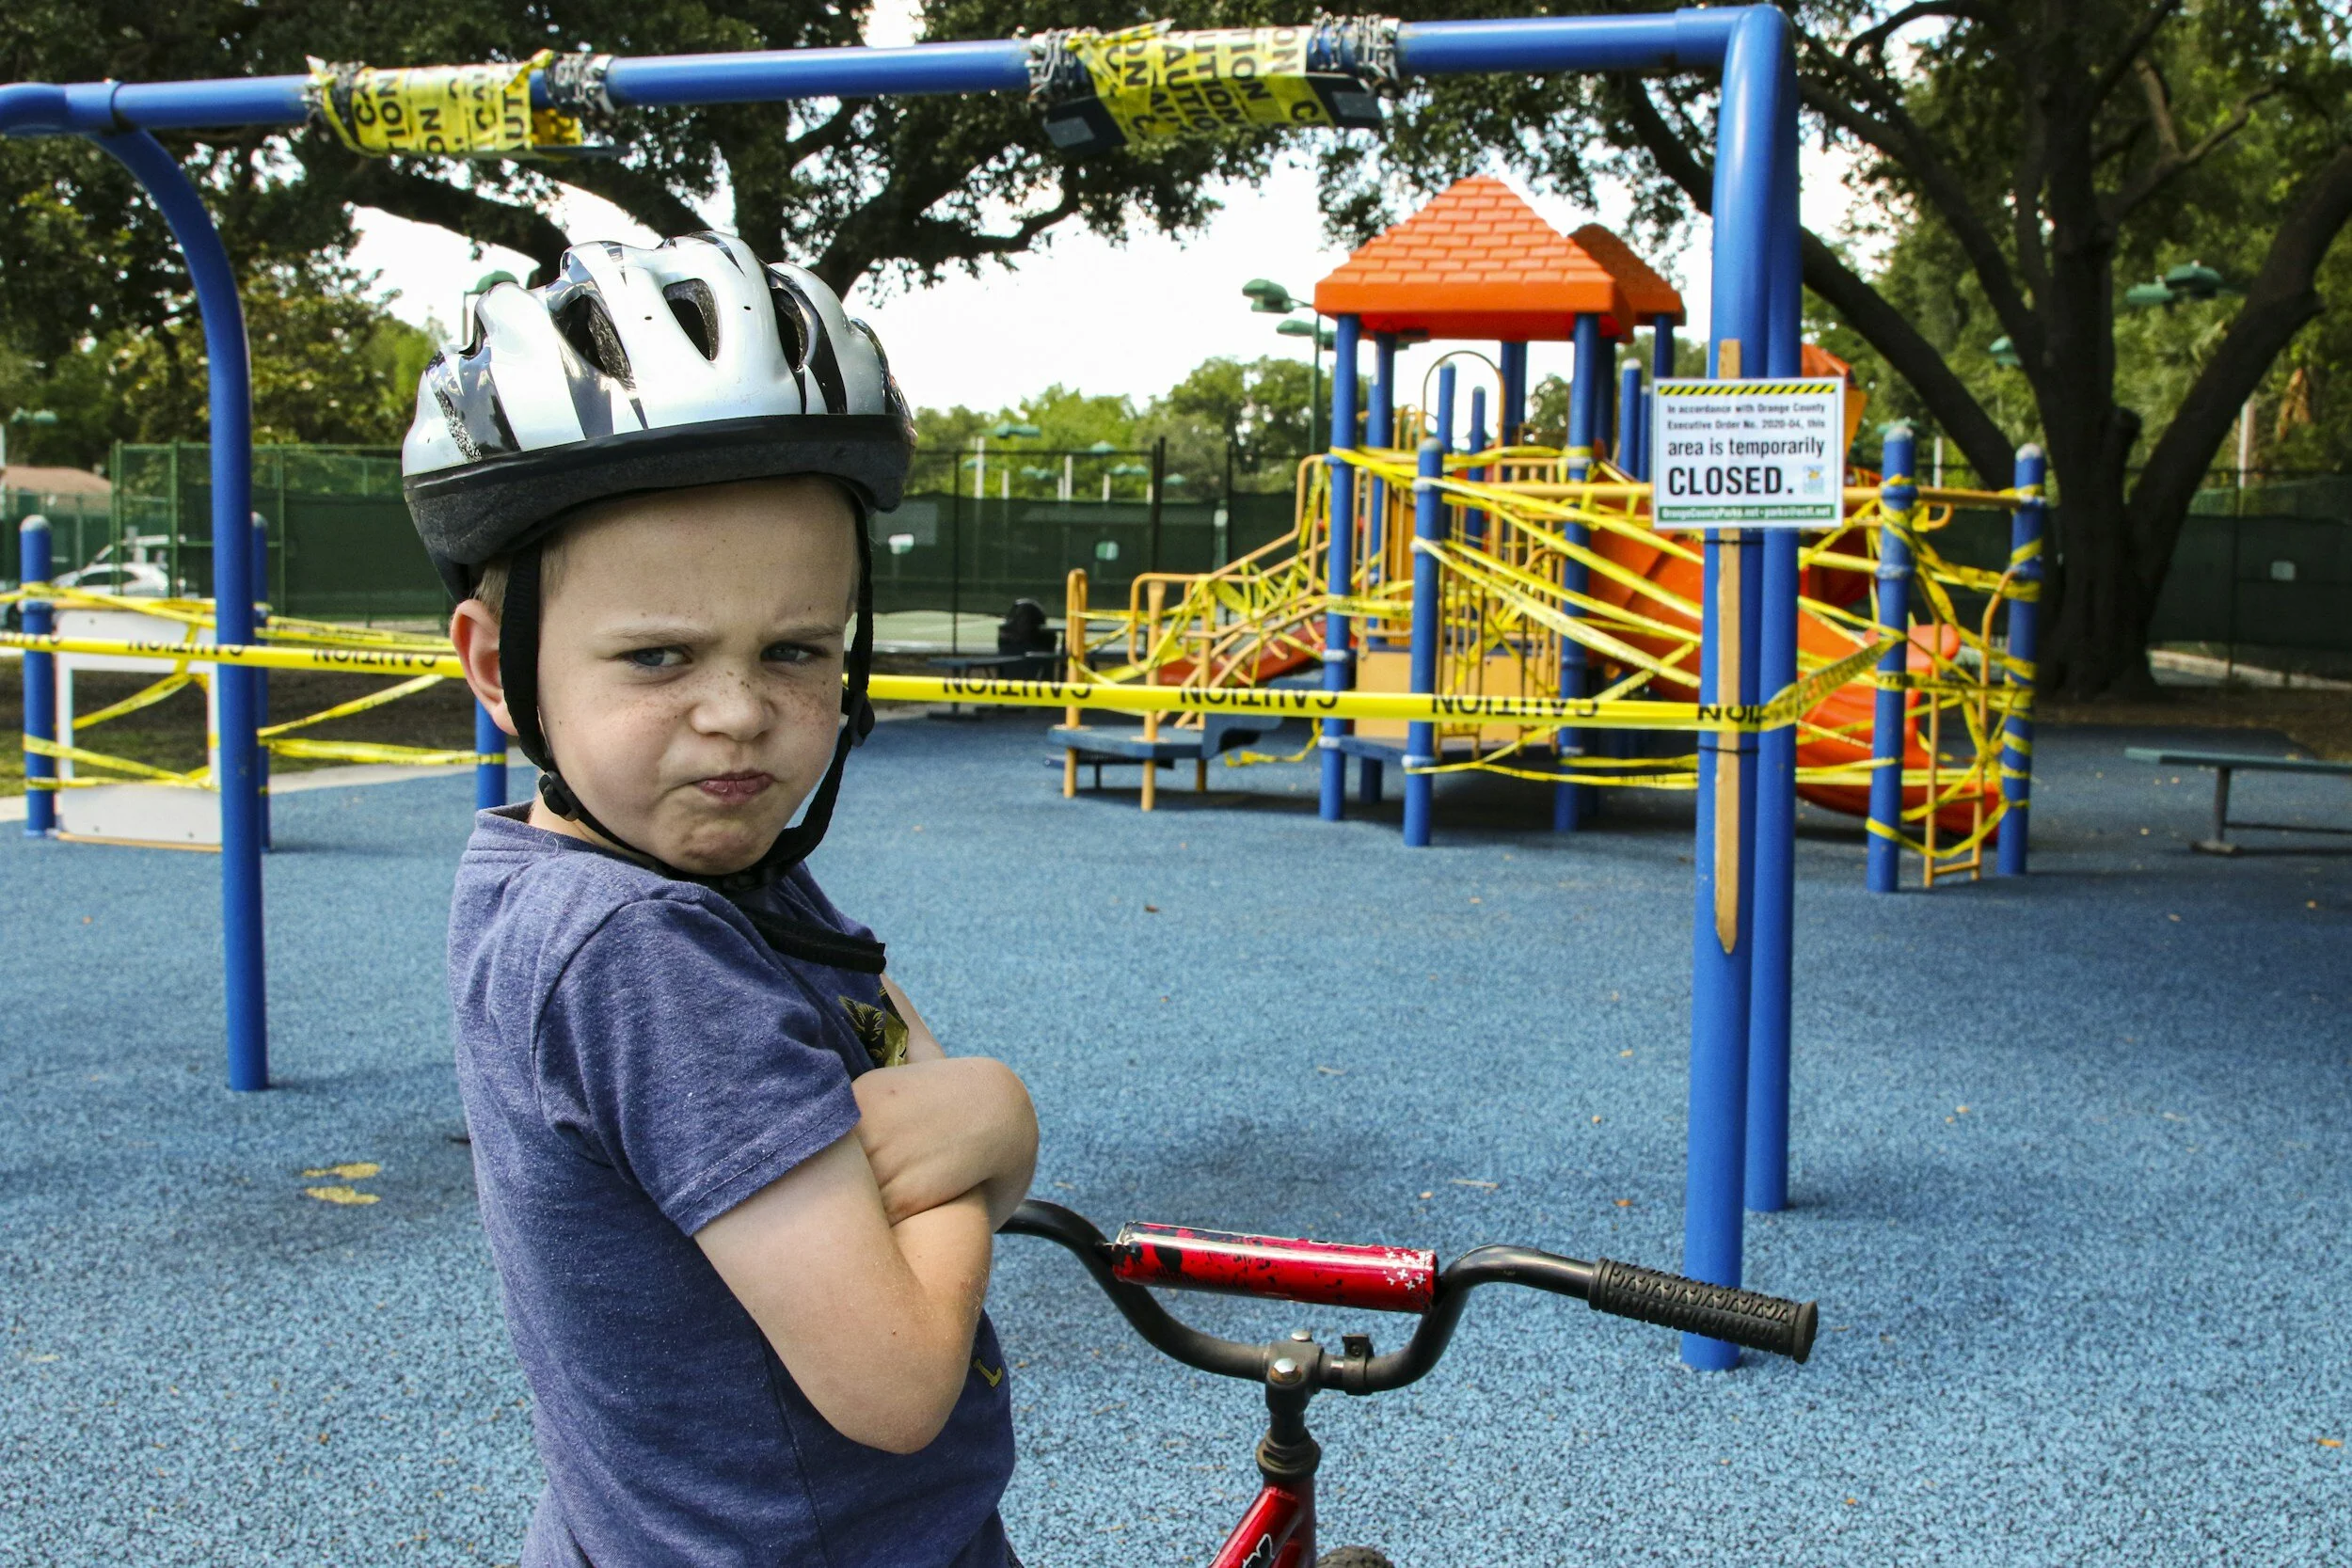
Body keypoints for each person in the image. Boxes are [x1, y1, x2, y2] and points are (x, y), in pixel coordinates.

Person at [405, 232, 1039, 1568]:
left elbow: (885, 1052)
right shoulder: (645, 944)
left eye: (796, 649)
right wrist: (997, 1123)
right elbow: (896, 1377)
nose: (739, 712)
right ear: (498, 667)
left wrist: (947, 1136)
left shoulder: (674, 861)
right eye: (658, 656)